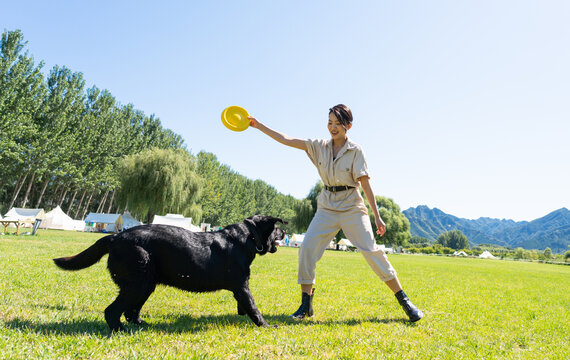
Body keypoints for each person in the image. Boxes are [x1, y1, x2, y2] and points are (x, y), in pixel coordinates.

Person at [248, 104, 423, 322]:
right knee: (307, 248)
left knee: (371, 250)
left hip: (352, 207)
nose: (332, 127)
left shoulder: (356, 151)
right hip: (327, 207)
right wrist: (258, 125)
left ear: (348, 126)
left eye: (338, 124)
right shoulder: (318, 146)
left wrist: (377, 216)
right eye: (330, 122)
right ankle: (305, 305)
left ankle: (404, 300)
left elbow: (366, 185)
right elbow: (287, 139)